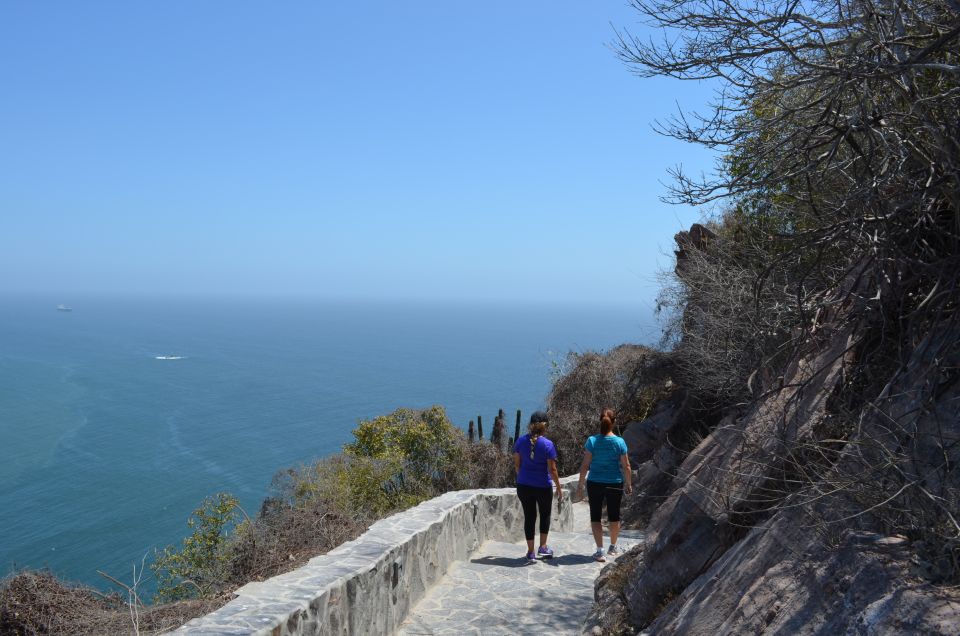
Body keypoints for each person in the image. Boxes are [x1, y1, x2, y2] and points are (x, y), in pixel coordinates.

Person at [576, 408, 632, 562]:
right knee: (614, 516)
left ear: (600, 421)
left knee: (595, 517)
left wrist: (581, 484)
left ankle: (599, 551)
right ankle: (613, 548)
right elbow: (626, 466)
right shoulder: (620, 442)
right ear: (614, 423)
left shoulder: (592, 441)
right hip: (615, 482)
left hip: (595, 483)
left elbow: (585, 465)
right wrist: (629, 483)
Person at [513, 410, 564, 563]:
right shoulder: (548, 445)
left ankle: (530, 552)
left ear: (531, 425)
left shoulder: (520, 442)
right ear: (545, 426)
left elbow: (517, 465)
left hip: (524, 485)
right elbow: (552, 470)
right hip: (543, 486)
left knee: (529, 517)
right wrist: (559, 488)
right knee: (545, 515)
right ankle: (543, 547)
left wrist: (524, 477)